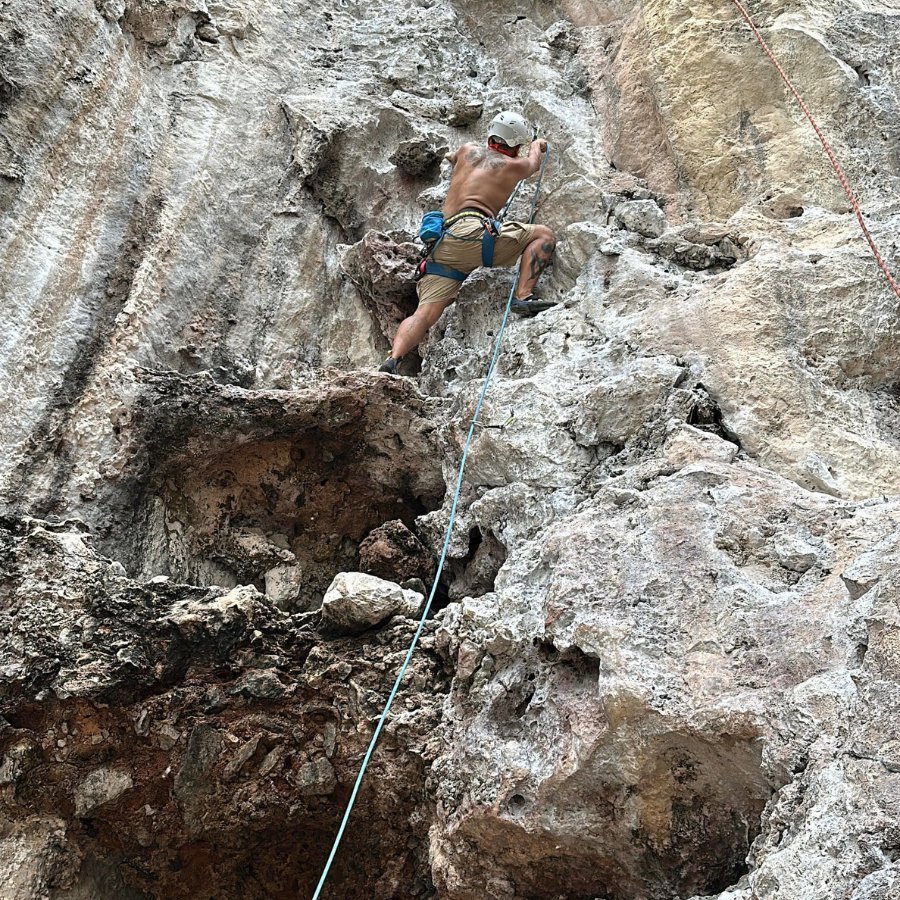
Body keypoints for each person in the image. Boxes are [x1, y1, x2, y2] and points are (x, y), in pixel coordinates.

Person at [379, 111, 557, 374]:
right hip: (475, 235)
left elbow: (452, 156)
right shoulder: (512, 165)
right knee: (544, 235)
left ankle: (393, 359)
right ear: (515, 144)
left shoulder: (466, 150)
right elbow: (533, 163)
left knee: (423, 315)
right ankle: (523, 296)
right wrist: (537, 144)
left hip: (443, 245)